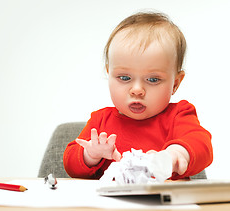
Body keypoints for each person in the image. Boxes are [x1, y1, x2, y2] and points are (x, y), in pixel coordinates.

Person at [63, 11, 213, 180]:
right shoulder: (101, 120)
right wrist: (90, 154)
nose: (137, 90)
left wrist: (178, 152)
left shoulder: (179, 115)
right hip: (111, 204)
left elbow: (202, 145)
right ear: (109, 73)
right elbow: (70, 165)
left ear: (175, 83)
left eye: (153, 79)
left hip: (162, 204)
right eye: (124, 78)